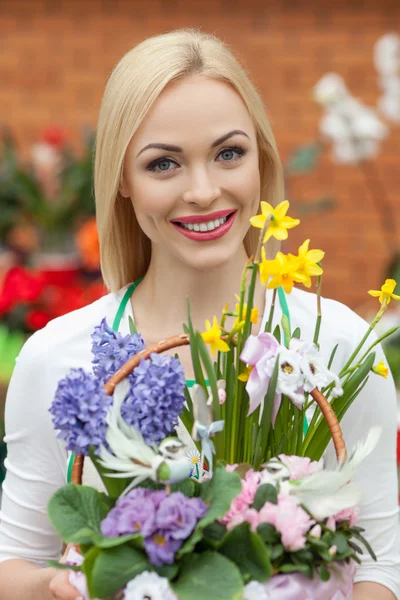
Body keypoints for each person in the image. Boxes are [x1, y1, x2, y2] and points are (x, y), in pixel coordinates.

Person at [0, 28, 399, 600]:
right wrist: (62, 585)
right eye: (163, 164)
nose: (204, 190)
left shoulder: (338, 347)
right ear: (121, 181)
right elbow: (13, 562)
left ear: (260, 159)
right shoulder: (57, 358)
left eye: (229, 153)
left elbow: (382, 567)